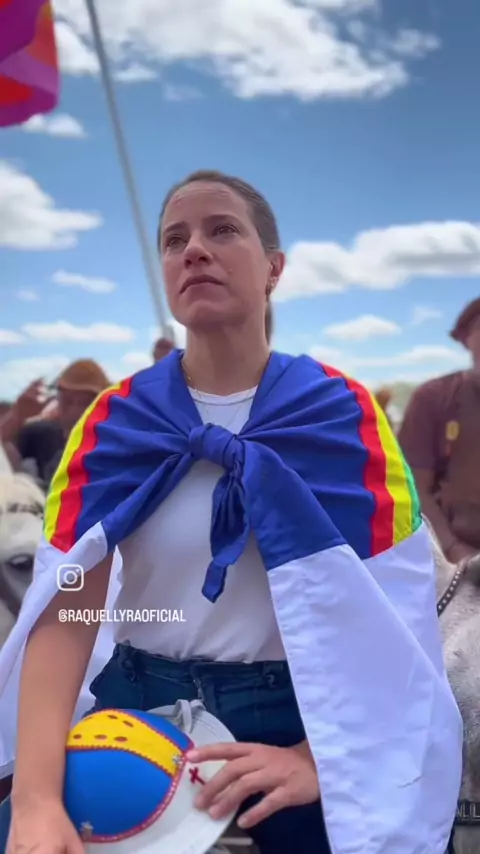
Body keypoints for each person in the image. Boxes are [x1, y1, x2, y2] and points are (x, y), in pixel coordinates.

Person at [0, 170, 461, 854]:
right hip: (137, 719)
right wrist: (37, 799)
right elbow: (67, 607)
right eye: (174, 240)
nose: (194, 250)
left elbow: (395, 616)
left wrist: (314, 758)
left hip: (310, 713)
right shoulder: (113, 422)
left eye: (222, 230)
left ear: (274, 268)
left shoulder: (343, 415)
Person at [398, 297, 480, 564]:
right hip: (457, 555)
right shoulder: (435, 398)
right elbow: (412, 487)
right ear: (466, 338)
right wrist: (455, 551)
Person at [0, 360, 110, 491]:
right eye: (67, 401)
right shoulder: (42, 434)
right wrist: (17, 415)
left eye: (86, 403)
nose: (75, 412)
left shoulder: (115, 450)